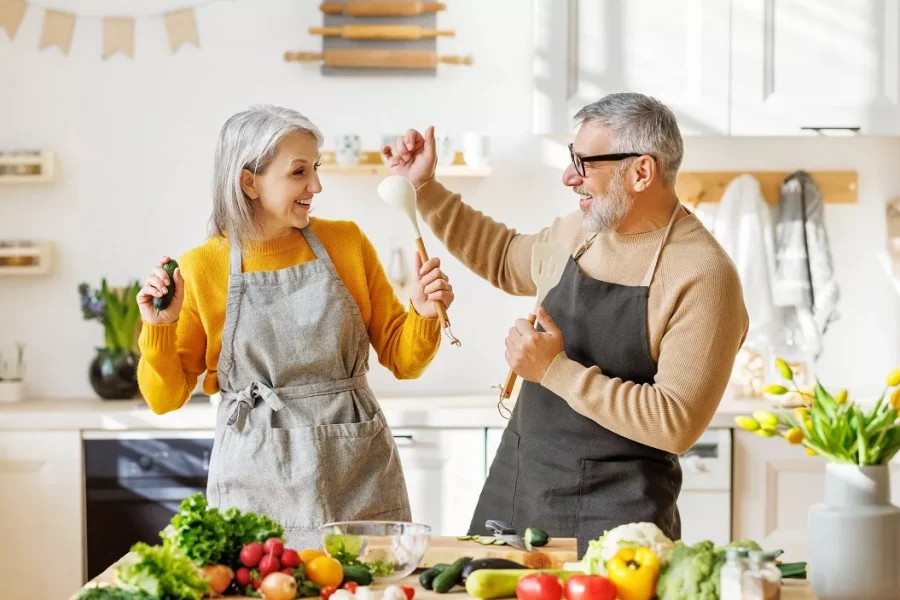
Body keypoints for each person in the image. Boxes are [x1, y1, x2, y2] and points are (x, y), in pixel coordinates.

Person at [382, 92, 749, 555]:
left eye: (584, 163)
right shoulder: (583, 232)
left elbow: (675, 422)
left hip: (616, 518)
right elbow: (503, 257)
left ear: (641, 171)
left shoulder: (702, 273)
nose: (569, 177)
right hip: (519, 488)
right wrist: (425, 188)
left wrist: (553, 370)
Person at [136, 104, 455, 549]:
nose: (316, 186)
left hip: (357, 475)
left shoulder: (346, 242)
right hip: (255, 486)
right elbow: (164, 398)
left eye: (316, 168)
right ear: (249, 182)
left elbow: (404, 362)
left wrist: (422, 312)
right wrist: (160, 327)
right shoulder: (202, 268)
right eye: (299, 172)